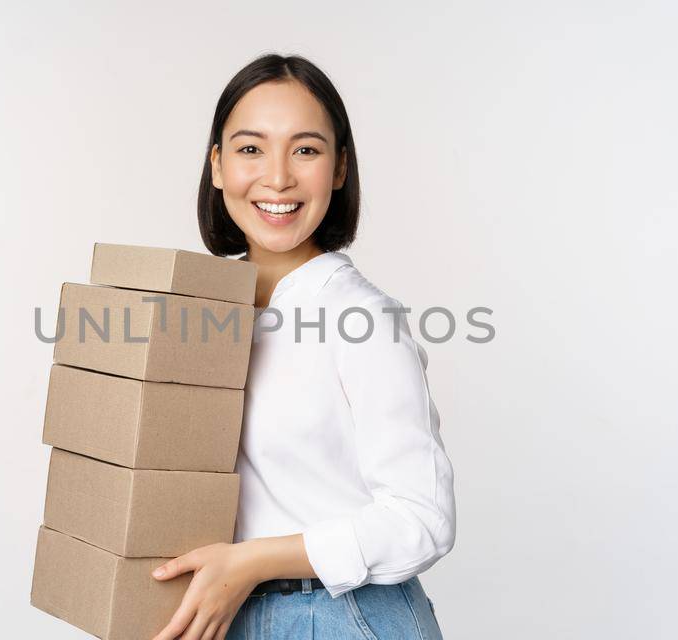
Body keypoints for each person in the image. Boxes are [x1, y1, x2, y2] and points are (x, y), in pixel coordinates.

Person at [150, 54, 456, 640]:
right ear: (216, 166)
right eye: (250, 149)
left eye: (306, 150)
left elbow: (424, 520)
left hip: (342, 617)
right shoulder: (202, 310)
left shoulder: (362, 318)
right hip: (226, 613)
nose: (278, 177)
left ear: (339, 169)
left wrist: (251, 561)